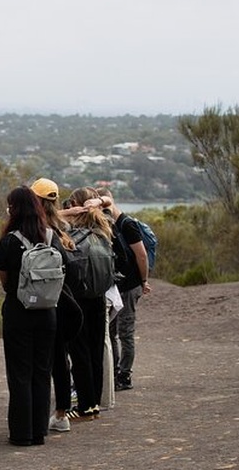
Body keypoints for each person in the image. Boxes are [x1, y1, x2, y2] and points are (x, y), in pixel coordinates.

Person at [0, 185, 67, 446]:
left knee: (20, 373)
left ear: (14, 209)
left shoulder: (10, 240)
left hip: (18, 311)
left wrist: (17, 291)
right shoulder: (49, 236)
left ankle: (22, 432)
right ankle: (38, 431)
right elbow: (63, 266)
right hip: (47, 312)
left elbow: (3, 275)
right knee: (42, 371)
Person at [29, 179, 83, 434]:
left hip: (42, 301)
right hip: (64, 300)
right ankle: (62, 411)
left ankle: (36, 412)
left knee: (39, 361)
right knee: (60, 360)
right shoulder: (63, 228)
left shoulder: (39, 230)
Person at [60, 186, 115, 422]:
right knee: (95, 349)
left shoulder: (70, 236)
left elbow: (44, 218)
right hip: (99, 296)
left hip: (77, 298)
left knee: (79, 350)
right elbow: (110, 201)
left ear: (75, 204)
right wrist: (99, 201)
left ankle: (84, 403)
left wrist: (69, 212)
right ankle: (93, 403)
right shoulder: (104, 230)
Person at [96, 187, 152, 391]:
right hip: (114, 287)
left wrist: (143, 280)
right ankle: (113, 372)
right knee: (110, 331)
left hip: (129, 286)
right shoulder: (107, 224)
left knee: (125, 331)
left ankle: (125, 374)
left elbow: (142, 255)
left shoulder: (127, 225)